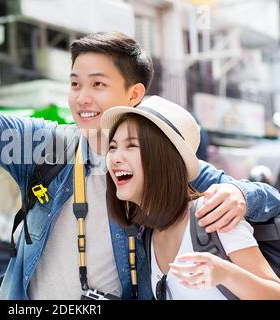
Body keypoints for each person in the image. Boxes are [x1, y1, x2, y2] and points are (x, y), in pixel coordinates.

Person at [0, 30, 280, 299]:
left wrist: (242, 193)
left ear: (134, 93)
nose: (82, 98)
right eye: (75, 83)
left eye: (98, 84)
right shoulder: (47, 146)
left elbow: (261, 198)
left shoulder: (166, 160)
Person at [103, 96, 280, 299]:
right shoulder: (149, 234)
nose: (115, 158)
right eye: (113, 147)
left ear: (163, 158)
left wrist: (226, 273)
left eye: (131, 146)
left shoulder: (212, 214)